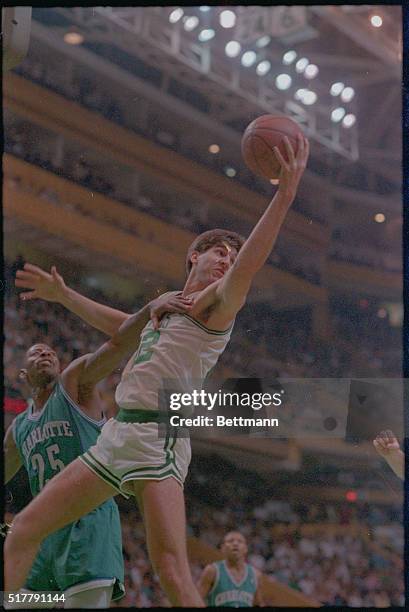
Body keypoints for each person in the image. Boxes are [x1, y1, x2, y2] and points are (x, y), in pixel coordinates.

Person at [7, 134, 309, 606]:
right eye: (218, 252)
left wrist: (284, 194)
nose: (227, 258)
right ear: (194, 256)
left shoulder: (218, 305)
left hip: (159, 436)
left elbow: (249, 265)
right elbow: (120, 326)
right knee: (23, 528)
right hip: (118, 435)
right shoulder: (167, 307)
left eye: (231, 255)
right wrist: (66, 297)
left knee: (170, 569)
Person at [4, 293, 191, 608]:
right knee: (18, 603)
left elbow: (116, 347)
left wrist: (148, 312)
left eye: (51, 352)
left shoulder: (75, 384)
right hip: (44, 531)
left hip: (88, 526)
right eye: (37, 353)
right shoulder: (18, 429)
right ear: (23, 374)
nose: (46, 354)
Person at [198, 531, 265, 606]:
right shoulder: (212, 571)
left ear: (246, 549)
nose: (235, 544)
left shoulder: (256, 575)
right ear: (222, 548)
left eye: (240, 541)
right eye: (230, 541)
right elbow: (196, 599)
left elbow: (258, 603)